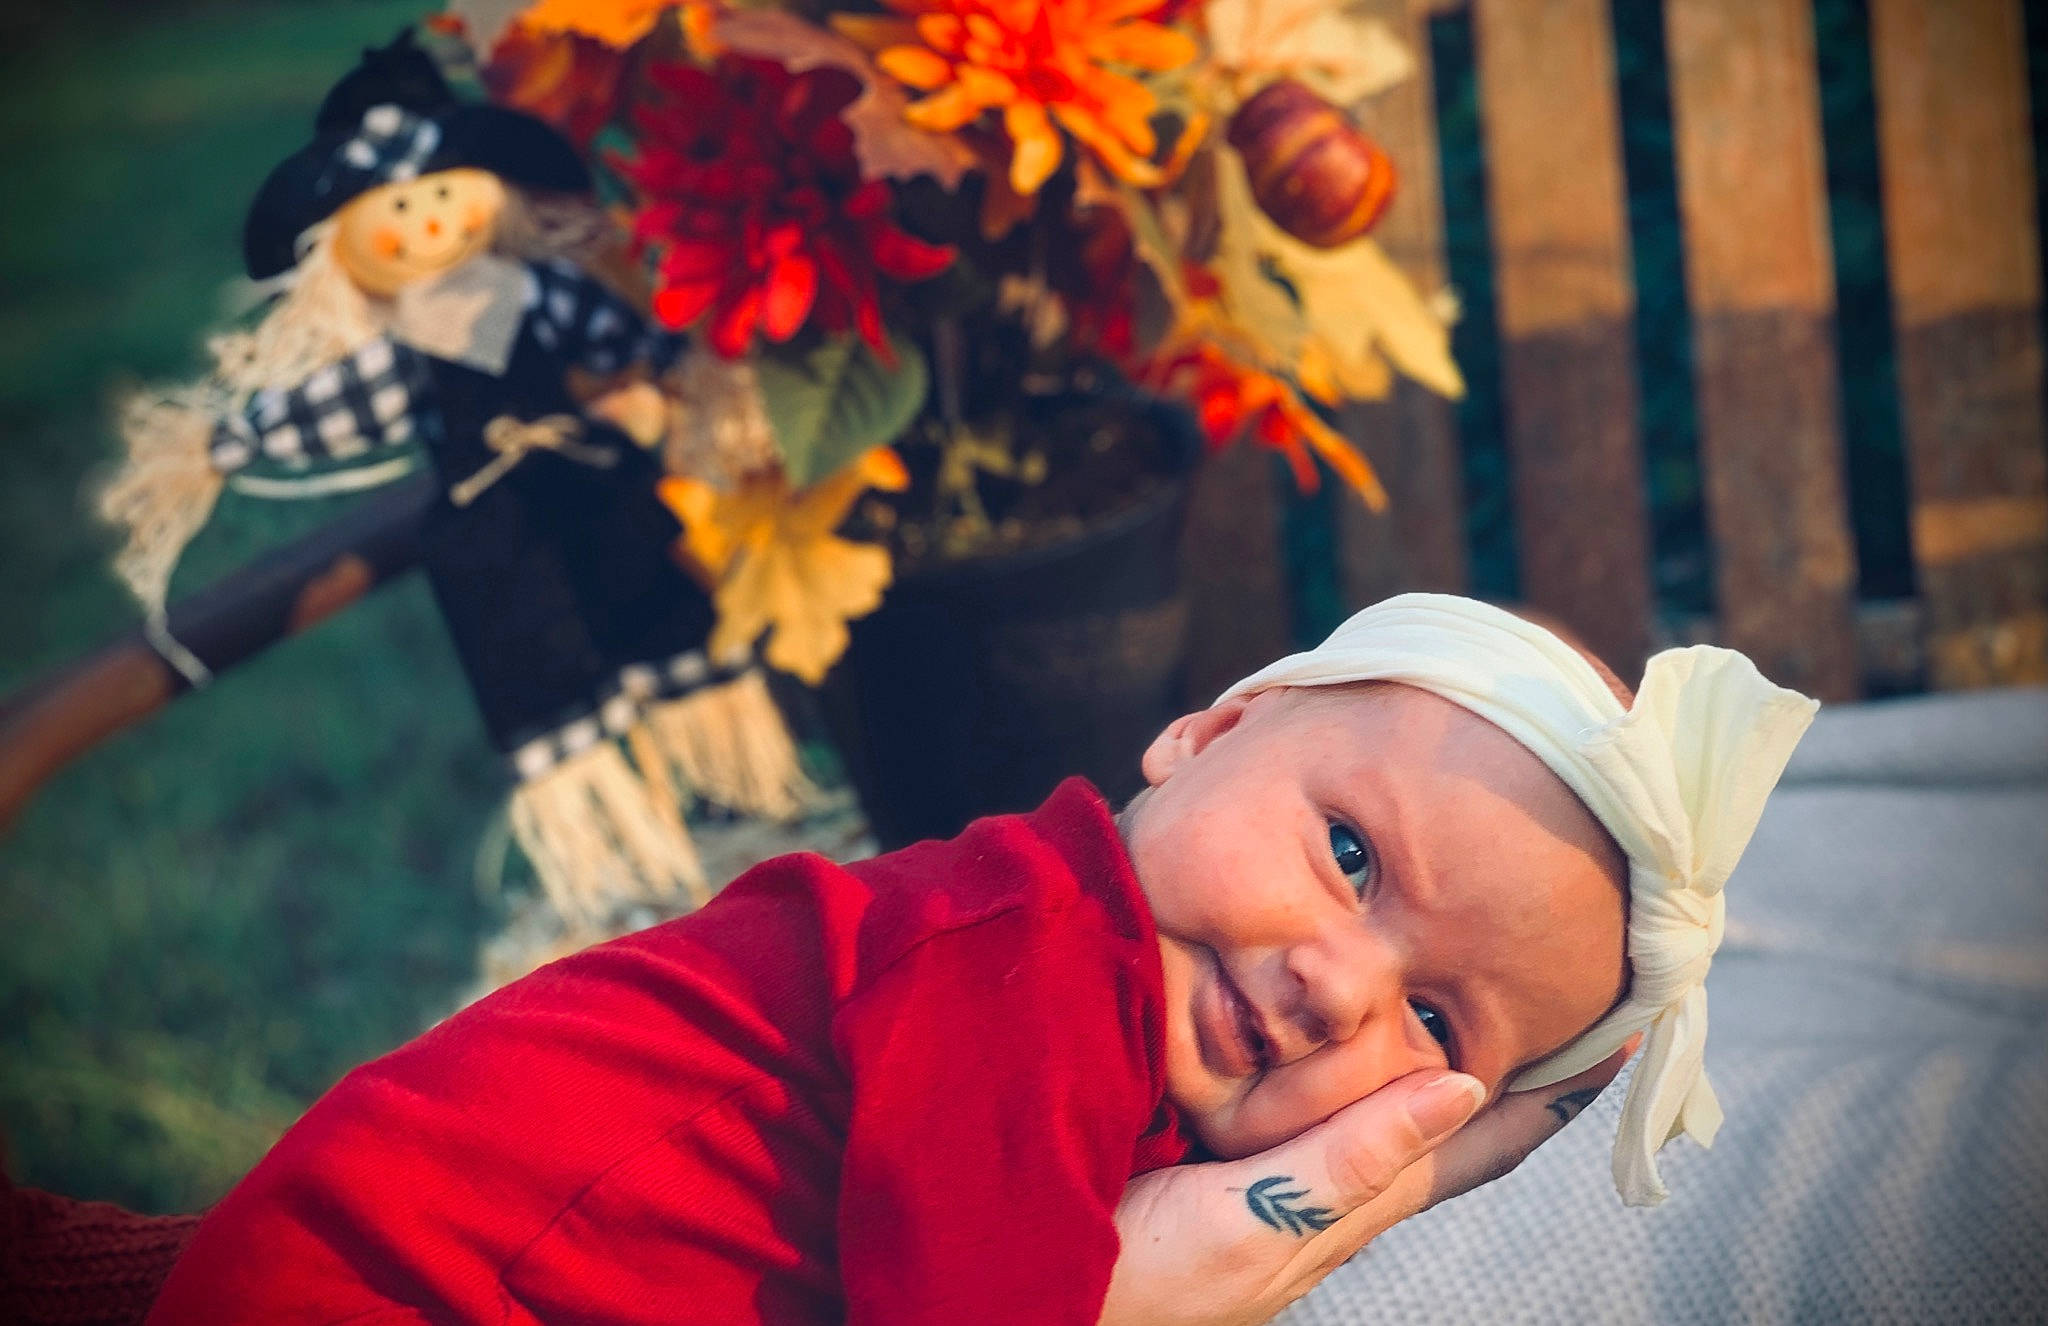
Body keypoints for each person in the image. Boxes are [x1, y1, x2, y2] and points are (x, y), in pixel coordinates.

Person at [147, 594, 1816, 1324]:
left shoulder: (1119, 1051)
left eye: (1434, 1013)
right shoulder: (1029, 946)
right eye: (1353, 853)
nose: (1335, 980)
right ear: (1206, 729)